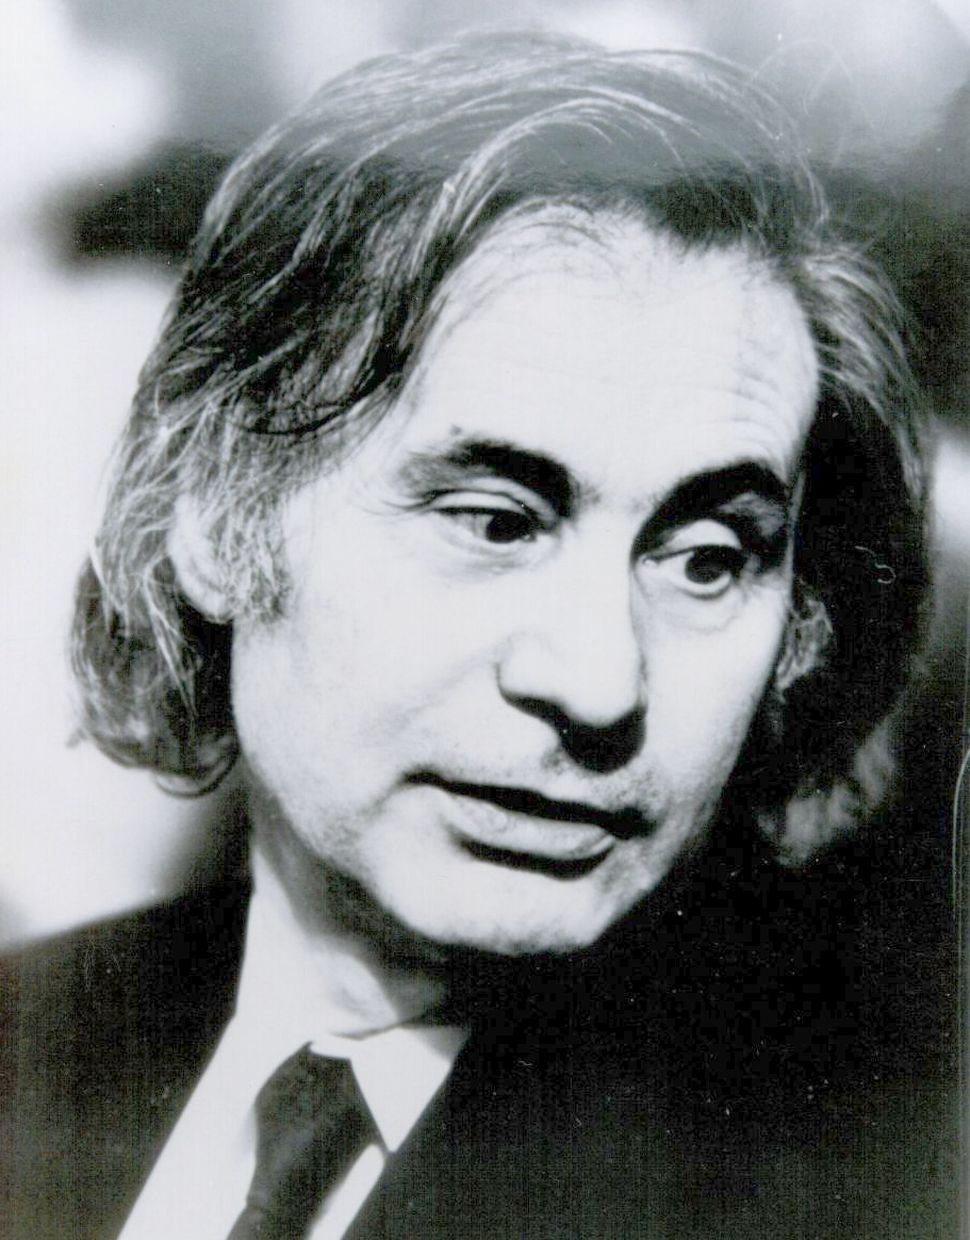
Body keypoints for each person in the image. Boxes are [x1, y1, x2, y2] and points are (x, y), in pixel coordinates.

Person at [1, 32, 955, 1240]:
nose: (599, 681)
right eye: (495, 522)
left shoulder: (878, 1183)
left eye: (707, 559)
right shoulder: (35, 1041)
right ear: (216, 512)